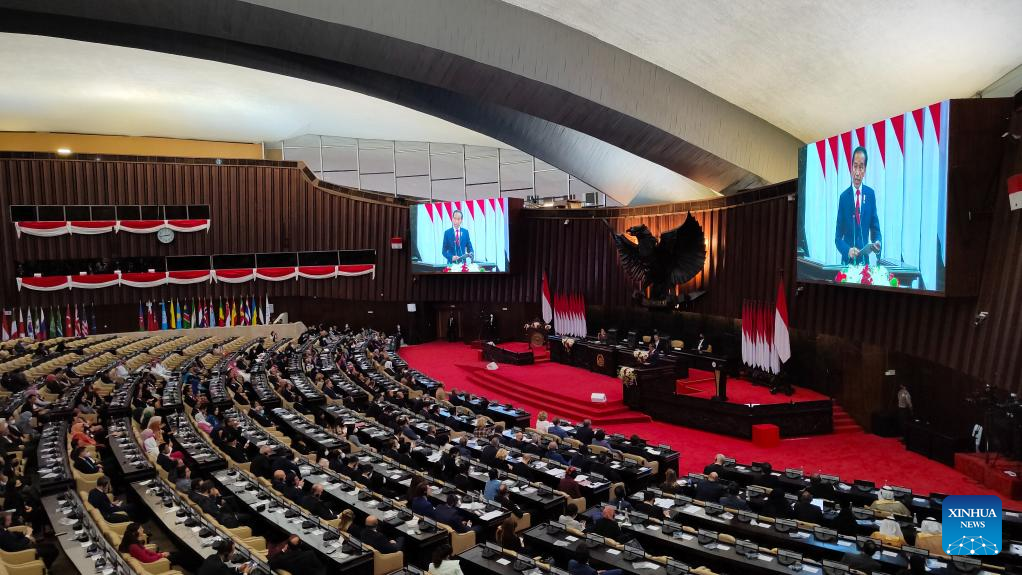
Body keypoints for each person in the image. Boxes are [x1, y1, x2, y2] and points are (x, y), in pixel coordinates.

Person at [835, 146, 882, 265]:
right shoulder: (844, 197)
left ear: (864, 170)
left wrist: (878, 242)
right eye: (855, 166)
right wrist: (848, 250)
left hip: (864, 264)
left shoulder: (870, 195)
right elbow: (838, 238)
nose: (857, 172)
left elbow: (875, 229)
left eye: (861, 167)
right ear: (851, 168)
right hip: (847, 264)